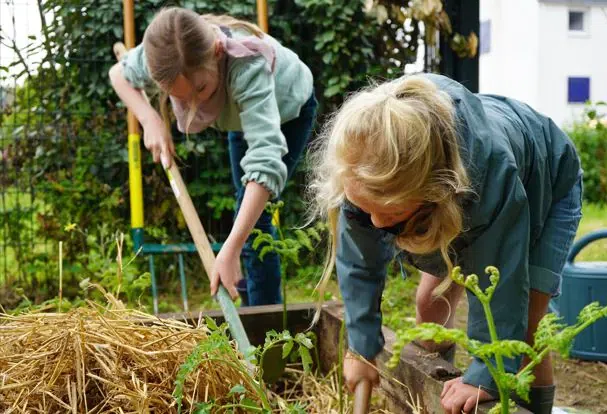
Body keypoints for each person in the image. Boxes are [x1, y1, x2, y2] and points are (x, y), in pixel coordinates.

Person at [308, 73, 582, 414]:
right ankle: (435, 399)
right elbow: (359, 261)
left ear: (432, 189)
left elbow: (501, 276)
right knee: (429, 303)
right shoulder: (363, 165)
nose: (376, 223)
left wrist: (487, 372)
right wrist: (362, 347)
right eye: (368, 210)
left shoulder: (491, 176)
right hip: (459, 197)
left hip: (548, 183)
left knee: (524, 331)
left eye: (388, 211)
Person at [109, 7, 317, 306]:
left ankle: (262, 321)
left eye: (201, 88)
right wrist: (150, 119)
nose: (194, 102)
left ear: (218, 52)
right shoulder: (163, 54)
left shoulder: (248, 66)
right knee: (245, 211)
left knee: (253, 221)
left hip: (287, 110)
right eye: (181, 97)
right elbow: (119, 74)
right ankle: (254, 309)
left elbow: (265, 160)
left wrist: (230, 249)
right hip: (240, 117)